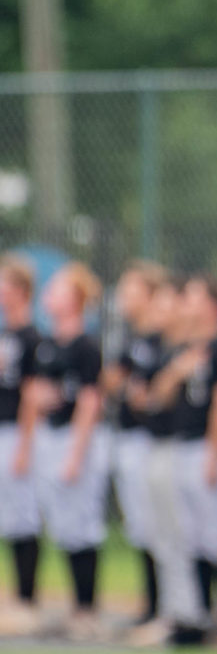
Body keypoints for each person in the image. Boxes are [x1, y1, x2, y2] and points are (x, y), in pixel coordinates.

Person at [149, 276, 217, 643]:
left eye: (192, 297)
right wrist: (178, 371)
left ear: (211, 305)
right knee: (192, 537)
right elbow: (156, 396)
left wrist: (216, 453)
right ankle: (199, 616)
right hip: (183, 446)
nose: (184, 303)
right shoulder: (185, 350)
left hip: (209, 447)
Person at [29, 263, 109, 634]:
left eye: (58, 290)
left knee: (82, 523)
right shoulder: (48, 344)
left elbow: (91, 401)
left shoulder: (86, 346)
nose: (49, 296)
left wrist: (76, 455)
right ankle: (76, 606)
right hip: (51, 435)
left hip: (77, 441)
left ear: (77, 299)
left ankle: (87, 609)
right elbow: (39, 394)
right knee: (62, 523)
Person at [105, 263, 169, 625]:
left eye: (130, 292)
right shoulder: (130, 339)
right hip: (129, 437)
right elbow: (111, 382)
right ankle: (151, 602)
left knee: (161, 524)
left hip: (154, 440)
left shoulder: (162, 340)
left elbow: (150, 394)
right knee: (141, 525)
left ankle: (165, 605)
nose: (123, 300)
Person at [0, 259, 43, 620]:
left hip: (17, 432)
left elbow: (32, 395)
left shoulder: (32, 338)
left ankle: (27, 598)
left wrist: (26, 446)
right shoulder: (5, 335)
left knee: (22, 516)